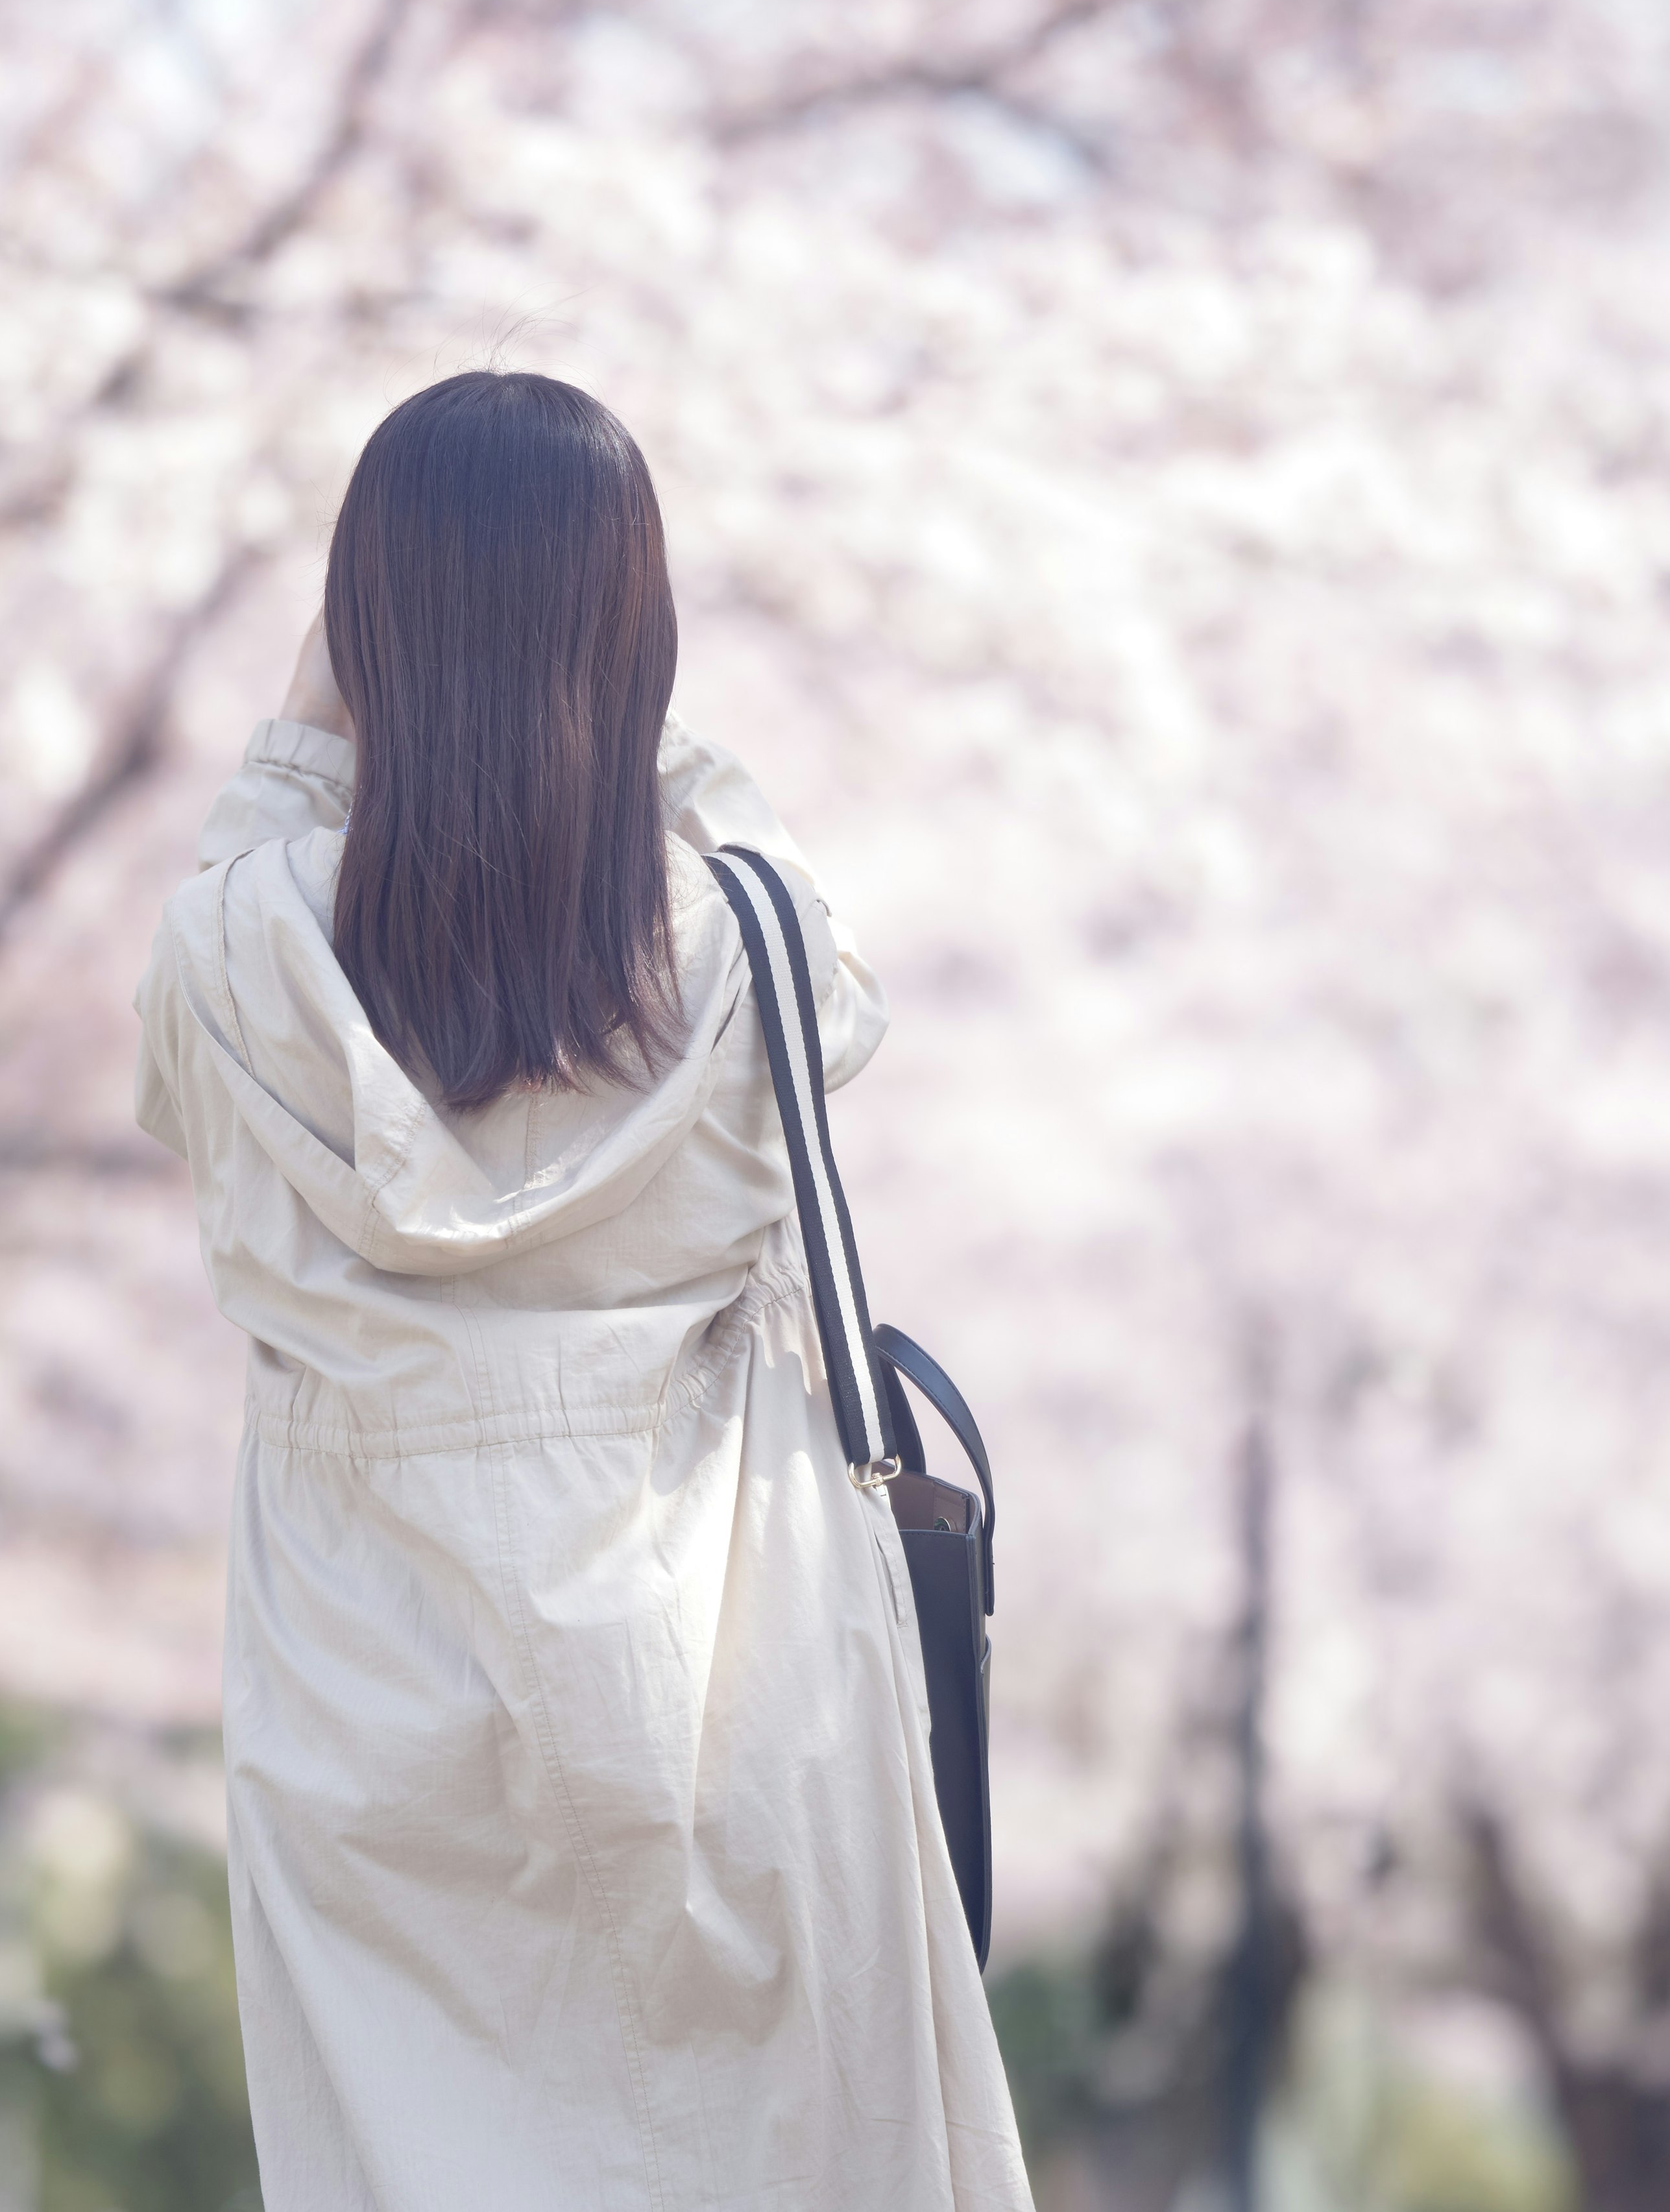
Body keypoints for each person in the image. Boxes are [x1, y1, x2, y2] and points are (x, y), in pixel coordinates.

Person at [135, 371, 1034, 2212]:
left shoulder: (239, 952)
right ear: (640, 640)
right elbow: (822, 977)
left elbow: (179, 1032)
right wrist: (645, 736)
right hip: (724, 1670)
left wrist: (308, 737)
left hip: (368, 1716)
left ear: (362, 628)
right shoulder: (730, 948)